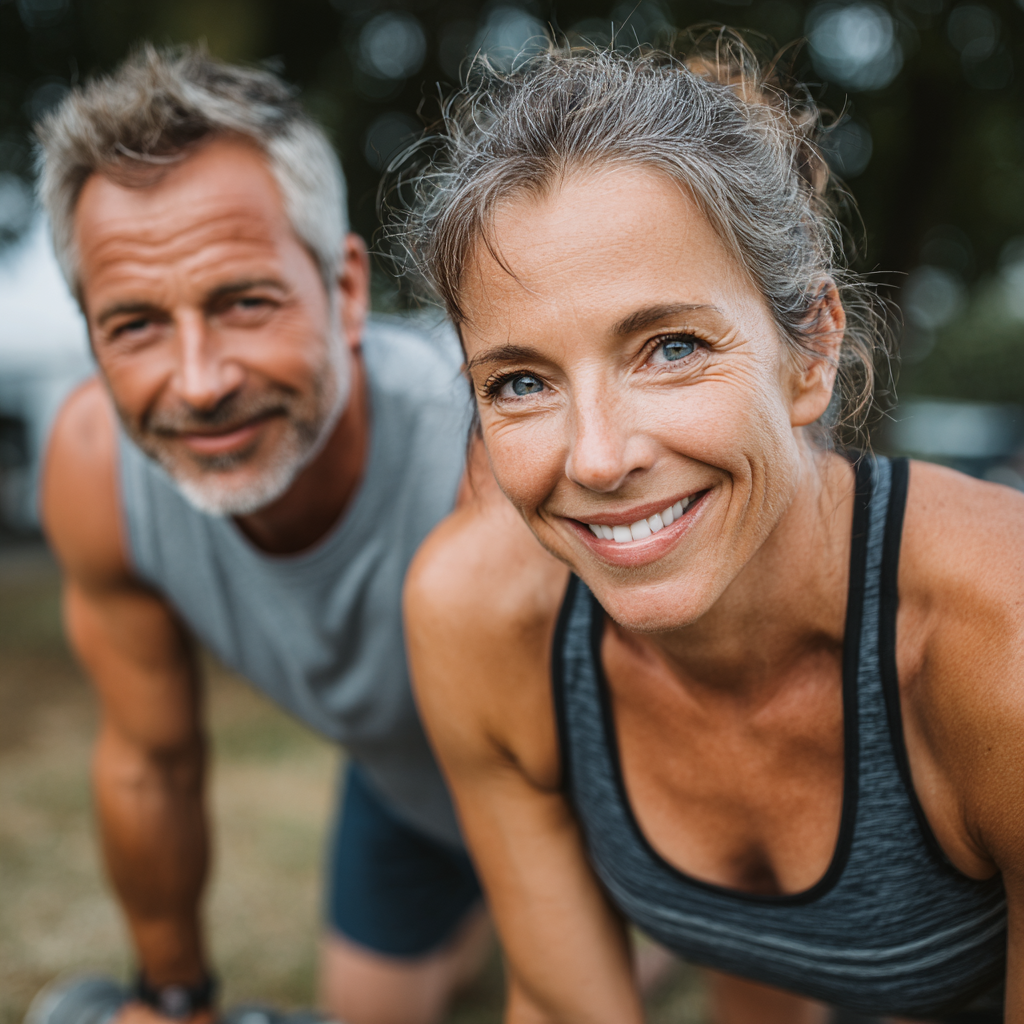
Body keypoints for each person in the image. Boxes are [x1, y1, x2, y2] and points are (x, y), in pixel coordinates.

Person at [394, 37, 1024, 1024]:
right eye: (520, 381)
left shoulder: (1000, 638)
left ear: (810, 352)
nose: (597, 458)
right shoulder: (478, 615)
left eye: (670, 348)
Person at [36, 46, 488, 1024]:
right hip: (405, 791)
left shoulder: (486, 451)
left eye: (244, 302)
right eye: (136, 324)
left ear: (347, 291)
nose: (198, 383)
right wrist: (174, 996)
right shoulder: (91, 464)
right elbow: (148, 760)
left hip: (601, 794)